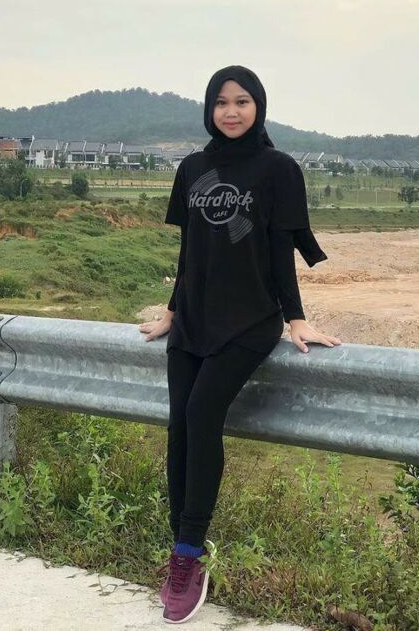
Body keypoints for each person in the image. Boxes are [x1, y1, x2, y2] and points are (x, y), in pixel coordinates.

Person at [138, 65, 340, 623]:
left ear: (259, 107)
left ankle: (188, 552)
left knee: (202, 415)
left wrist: (295, 319)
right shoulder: (193, 168)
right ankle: (182, 551)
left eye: (242, 101)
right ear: (209, 108)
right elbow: (190, 253)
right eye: (221, 102)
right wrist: (172, 312)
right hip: (193, 321)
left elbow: (279, 250)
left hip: (249, 321)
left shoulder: (278, 170)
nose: (231, 111)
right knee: (179, 426)